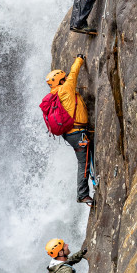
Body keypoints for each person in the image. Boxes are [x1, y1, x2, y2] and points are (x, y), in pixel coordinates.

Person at [45, 54, 92, 204]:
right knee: (83, 163)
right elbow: (73, 74)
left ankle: (85, 190)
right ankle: (82, 194)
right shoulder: (65, 89)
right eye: (63, 78)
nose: (66, 79)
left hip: (72, 133)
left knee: (84, 160)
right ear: (61, 81)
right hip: (77, 133)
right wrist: (79, 59)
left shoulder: (54, 94)